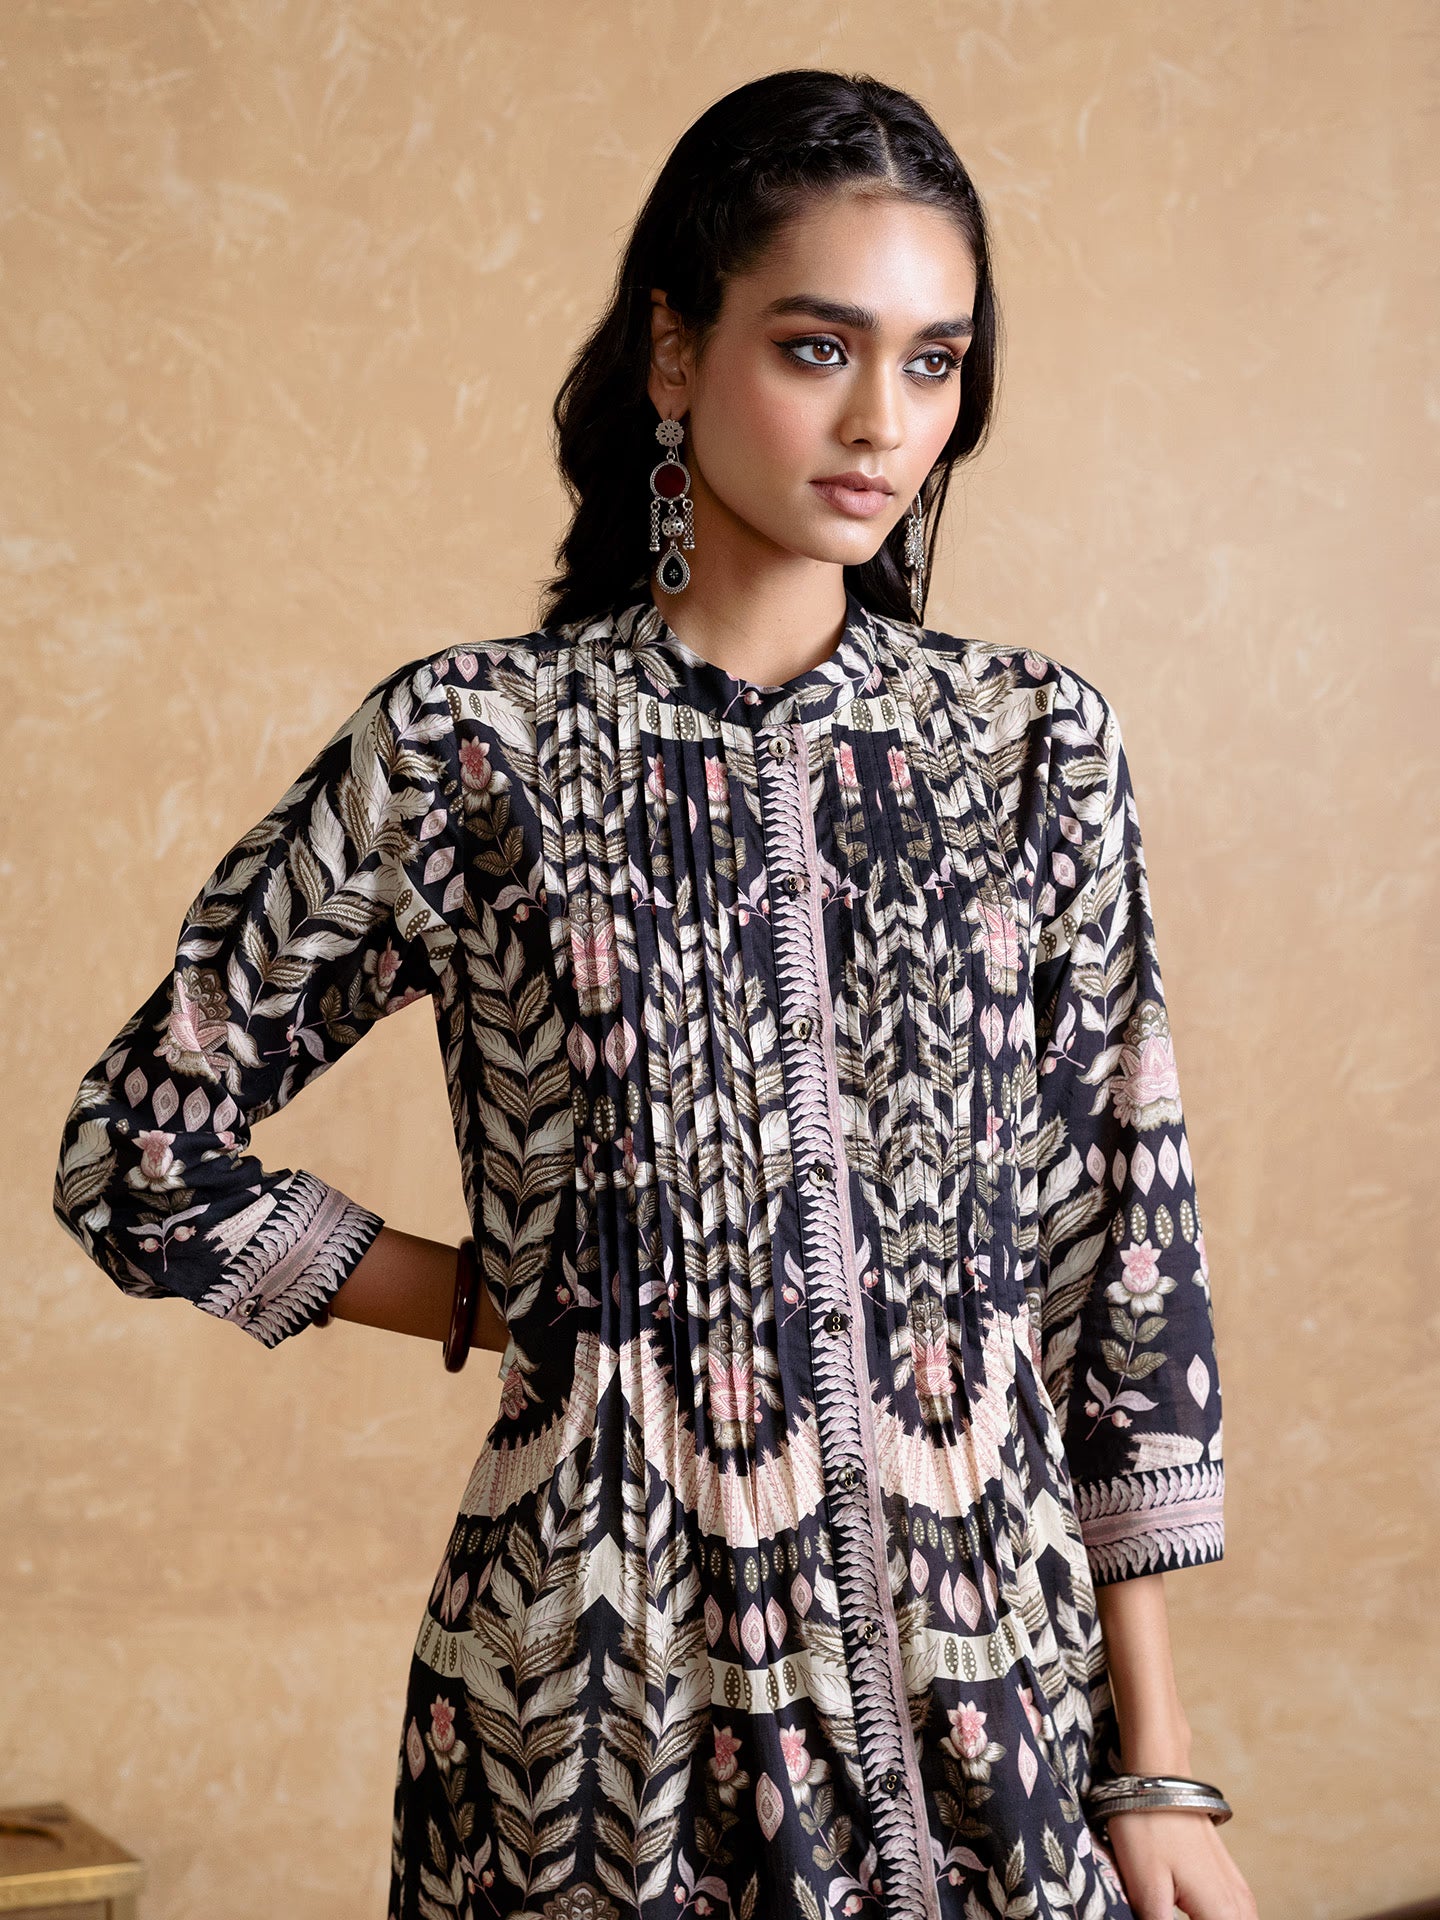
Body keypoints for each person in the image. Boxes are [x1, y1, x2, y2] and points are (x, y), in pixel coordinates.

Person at [51, 67, 1258, 1920]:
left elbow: (1123, 1259)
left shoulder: (1032, 750)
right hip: (590, 1730)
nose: (882, 422)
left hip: (994, 1718)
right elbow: (135, 1154)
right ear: (674, 358)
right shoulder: (476, 748)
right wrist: (492, 1298)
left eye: (933, 364)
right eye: (817, 347)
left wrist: (1152, 1765)